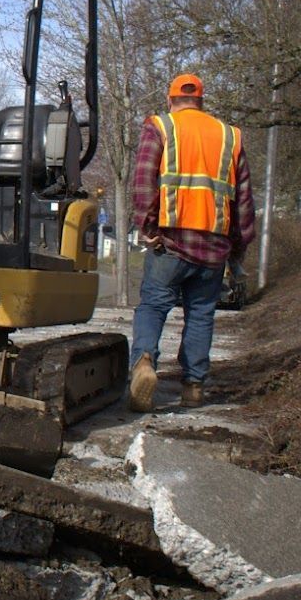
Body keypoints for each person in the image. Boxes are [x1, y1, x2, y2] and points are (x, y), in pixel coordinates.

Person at [128, 73, 257, 411]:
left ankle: (143, 363)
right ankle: (194, 387)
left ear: (171, 100)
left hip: (170, 241)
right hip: (213, 248)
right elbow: (244, 201)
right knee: (200, 314)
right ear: (201, 101)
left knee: (154, 306)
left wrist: (146, 224)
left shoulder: (161, 126)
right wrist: (238, 248)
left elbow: (143, 180)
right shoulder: (230, 136)